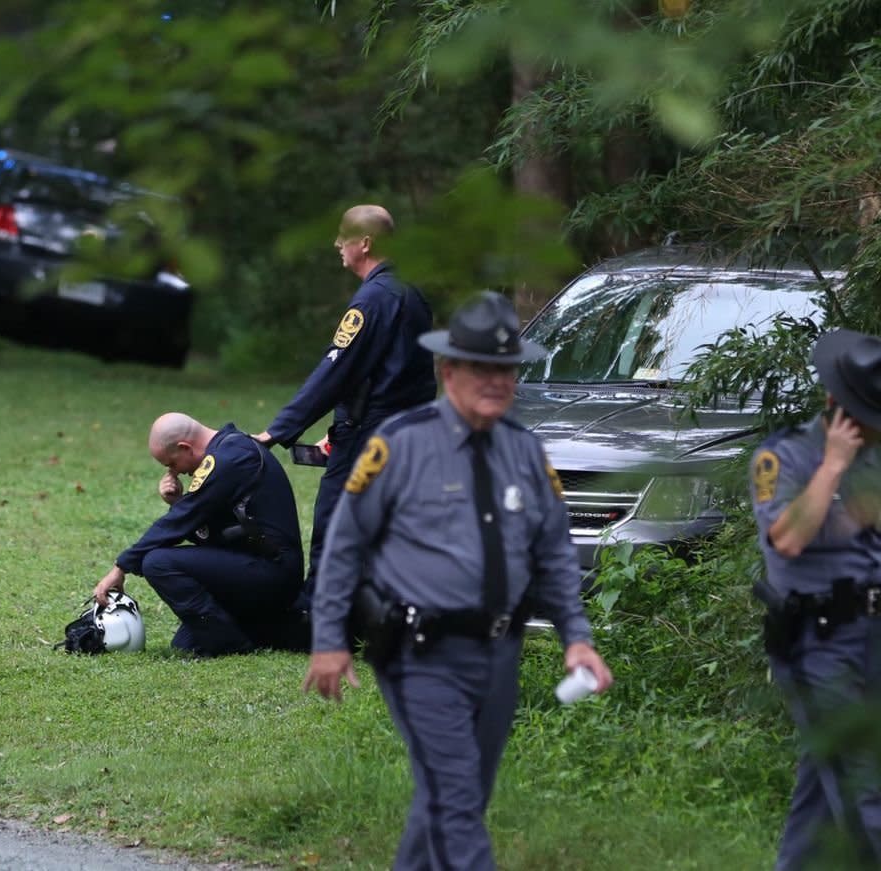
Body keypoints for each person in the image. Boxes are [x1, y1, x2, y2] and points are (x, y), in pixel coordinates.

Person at [302, 291, 613, 870]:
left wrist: (576, 634)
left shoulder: (525, 451)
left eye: (508, 370)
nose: (497, 382)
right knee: (459, 801)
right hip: (419, 652)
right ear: (449, 371)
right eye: (483, 369)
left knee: (452, 798)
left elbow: (552, 551)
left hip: (497, 652)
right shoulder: (400, 444)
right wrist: (329, 638)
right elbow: (344, 546)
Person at [254, 204, 436, 608]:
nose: (337, 243)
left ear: (365, 243)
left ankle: (317, 616)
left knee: (335, 520)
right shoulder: (412, 292)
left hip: (370, 435)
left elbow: (336, 370)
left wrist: (279, 430)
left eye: (343, 236)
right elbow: (404, 373)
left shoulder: (372, 300)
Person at [751, 327, 881, 870]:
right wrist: (832, 465)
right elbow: (788, 537)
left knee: (820, 798)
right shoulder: (783, 458)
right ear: (835, 403)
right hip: (819, 644)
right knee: (864, 795)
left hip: (873, 637)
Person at [93, 412, 306, 656]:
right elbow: (214, 534)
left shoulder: (228, 459)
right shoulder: (230, 449)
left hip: (274, 573)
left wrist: (121, 567)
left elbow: (177, 523)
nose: (175, 472)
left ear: (185, 447)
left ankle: (232, 645)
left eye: (171, 464)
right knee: (186, 643)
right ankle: (273, 627)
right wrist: (178, 502)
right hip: (256, 566)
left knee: (158, 562)